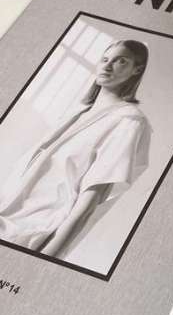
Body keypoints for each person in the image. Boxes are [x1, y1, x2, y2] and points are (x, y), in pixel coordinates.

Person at [0, 39, 153, 259]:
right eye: (105, 59)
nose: (107, 66)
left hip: (34, 230)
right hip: (7, 212)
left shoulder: (128, 121)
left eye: (120, 61)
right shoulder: (77, 112)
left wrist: (46, 257)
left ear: (137, 69)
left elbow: (88, 202)